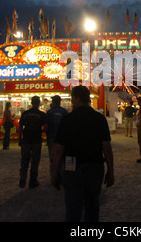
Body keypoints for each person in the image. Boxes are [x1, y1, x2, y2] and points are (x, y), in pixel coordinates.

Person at [51, 86, 114, 222]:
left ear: (77, 98)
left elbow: (59, 149)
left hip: (72, 167)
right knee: (92, 206)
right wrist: (110, 170)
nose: (72, 101)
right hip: (95, 166)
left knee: (73, 208)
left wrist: (55, 171)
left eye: (72, 98)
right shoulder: (99, 119)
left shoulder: (68, 119)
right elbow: (106, 148)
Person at [18, 96, 47, 189]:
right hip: (36, 140)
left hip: (26, 139)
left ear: (31, 102)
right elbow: (46, 127)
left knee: (24, 160)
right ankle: (32, 181)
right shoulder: (42, 114)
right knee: (35, 161)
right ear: (39, 103)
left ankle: (22, 179)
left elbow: (20, 127)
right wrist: (40, 131)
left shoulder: (25, 113)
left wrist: (19, 139)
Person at [46, 95, 68, 178]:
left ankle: (53, 176)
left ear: (53, 102)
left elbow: (46, 127)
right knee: (62, 157)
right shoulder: (64, 111)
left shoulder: (49, 112)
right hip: (62, 138)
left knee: (52, 158)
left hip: (52, 137)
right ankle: (61, 174)